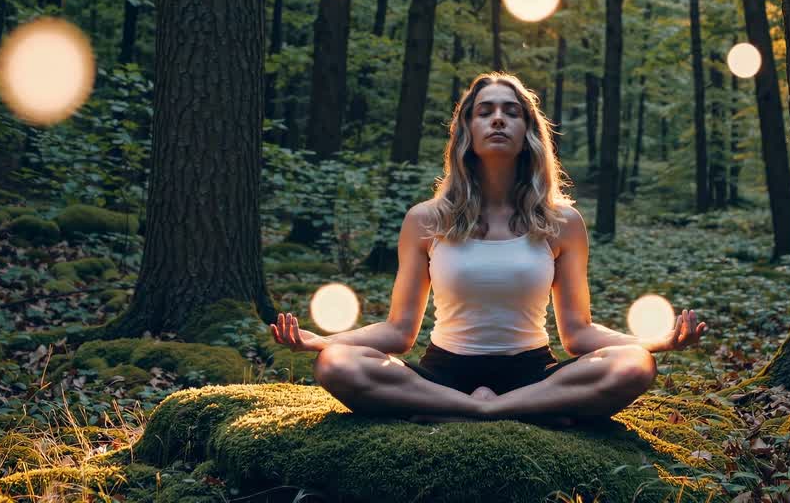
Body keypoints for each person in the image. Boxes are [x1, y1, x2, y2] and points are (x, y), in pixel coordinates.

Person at [271, 72, 706, 426]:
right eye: (485, 112)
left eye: (511, 112)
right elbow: (399, 332)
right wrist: (323, 340)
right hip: (442, 375)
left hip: (533, 374)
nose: (498, 119)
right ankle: (485, 409)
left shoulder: (562, 223)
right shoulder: (426, 219)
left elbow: (578, 335)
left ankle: (490, 409)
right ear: (467, 131)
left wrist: (654, 342)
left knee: (635, 365)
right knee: (335, 364)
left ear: (528, 133)